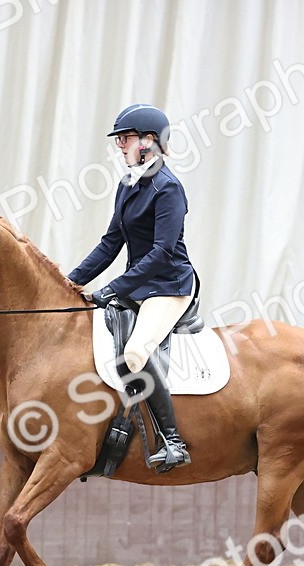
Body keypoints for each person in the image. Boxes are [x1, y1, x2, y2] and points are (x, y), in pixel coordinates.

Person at [68, 103, 196, 472]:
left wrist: (113, 288)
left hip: (168, 286)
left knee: (135, 353)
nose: (120, 146)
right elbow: (111, 242)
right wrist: (71, 281)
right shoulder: (127, 185)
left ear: (149, 141)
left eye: (125, 139)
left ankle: (173, 441)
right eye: (120, 140)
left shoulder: (169, 188)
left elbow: (161, 252)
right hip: (139, 285)